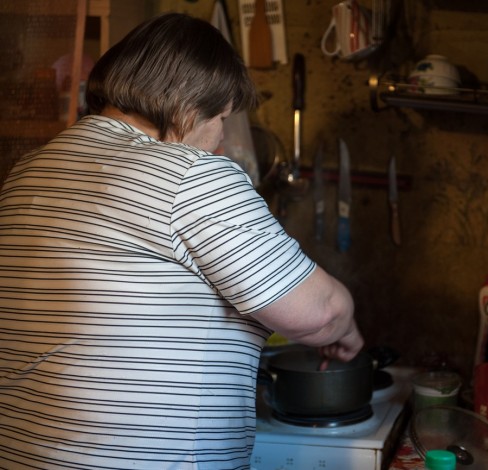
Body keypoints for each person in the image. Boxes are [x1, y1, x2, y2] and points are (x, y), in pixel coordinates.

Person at [0, 13, 363, 469]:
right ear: (188, 106)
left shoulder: (27, 172)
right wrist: (346, 330)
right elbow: (319, 314)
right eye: (222, 118)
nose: (221, 141)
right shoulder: (188, 175)